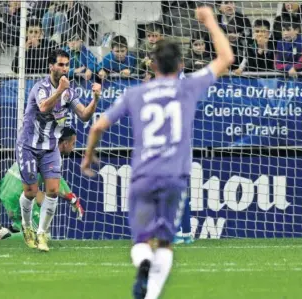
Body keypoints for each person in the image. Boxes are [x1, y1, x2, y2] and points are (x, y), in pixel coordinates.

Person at [81, 6, 234, 299]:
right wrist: (210, 21)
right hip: (175, 176)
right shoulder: (187, 87)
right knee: (165, 243)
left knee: (140, 242)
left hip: (142, 175)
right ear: (180, 65)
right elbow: (226, 58)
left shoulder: (135, 93)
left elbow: (97, 126)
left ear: (152, 66)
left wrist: (88, 157)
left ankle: (143, 263)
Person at [17, 49, 101, 252]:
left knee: (53, 190)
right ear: (51, 66)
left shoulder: (69, 92)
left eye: (67, 65)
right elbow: (44, 107)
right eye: (61, 65)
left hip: (51, 147)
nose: (64, 68)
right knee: (31, 192)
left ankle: (42, 234)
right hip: (28, 145)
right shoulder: (40, 87)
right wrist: (59, 90)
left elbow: (84, 116)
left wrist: (95, 99)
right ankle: (27, 226)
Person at [0, 127, 85, 241]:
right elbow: (54, 187)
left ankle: (14, 229)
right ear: (65, 143)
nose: (73, 148)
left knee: (45, 200)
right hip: (18, 193)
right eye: (73, 144)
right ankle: (5, 237)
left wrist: (70, 196)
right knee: (44, 235)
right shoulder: (53, 156)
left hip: (5, 190)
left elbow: (58, 180)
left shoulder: (41, 147)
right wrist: (72, 199)